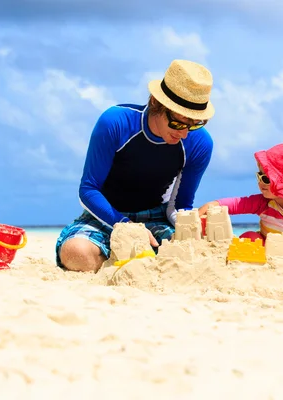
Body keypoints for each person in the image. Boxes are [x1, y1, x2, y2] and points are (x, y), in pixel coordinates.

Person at [56, 59, 215, 272]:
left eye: (194, 124)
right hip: (106, 215)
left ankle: (136, 261)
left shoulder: (200, 143)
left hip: (157, 218)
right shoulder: (116, 122)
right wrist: (127, 229)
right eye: (179, 122)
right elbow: (88, 189)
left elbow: (179, 205)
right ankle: (124, 260)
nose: (184, 133)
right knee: (76, 253)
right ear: (157, 103)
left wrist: (189, 228)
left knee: (195, 254)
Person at [198, 143, 283, 287]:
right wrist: (215, 204)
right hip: (267, 247)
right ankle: (251, 275)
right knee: (250, 238)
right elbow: (238, 204)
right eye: (259, 175)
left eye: (266, 179)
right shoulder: (264, 202)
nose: (260, 182)